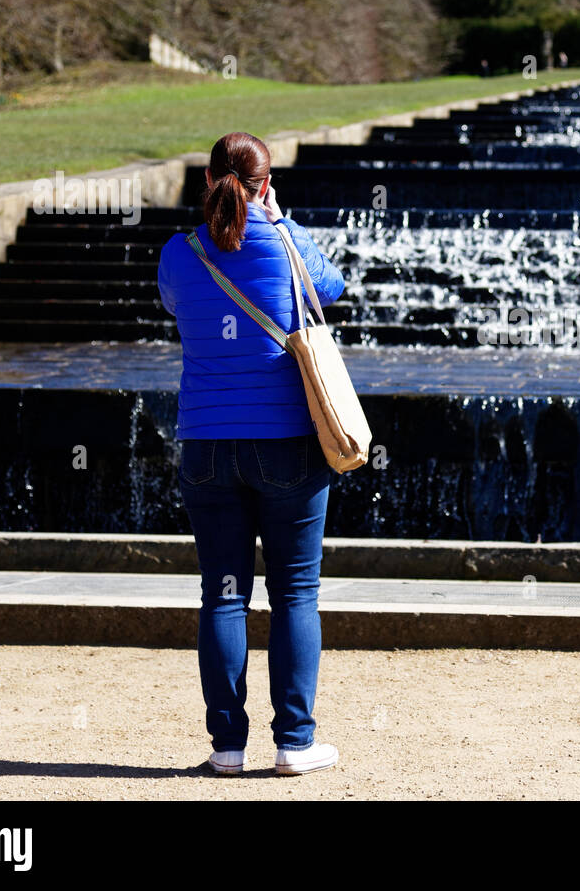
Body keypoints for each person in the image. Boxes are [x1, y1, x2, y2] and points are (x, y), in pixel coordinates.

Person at [157, 131, 346, 777]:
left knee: (224, 594)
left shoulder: (179, 254)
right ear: (266, 184)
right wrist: (279, 218)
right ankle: (295, 742)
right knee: (295, 592)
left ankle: (227, 747)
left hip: (207, 443)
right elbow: (335, 285)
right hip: (289, 442)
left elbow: (179, 307)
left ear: (208, 180)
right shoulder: (287, 243)